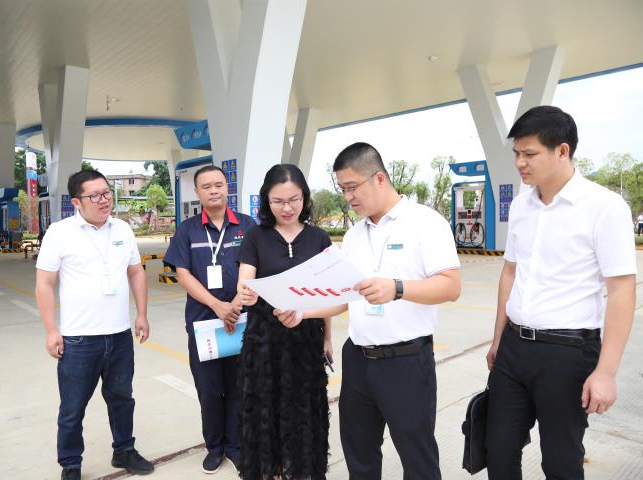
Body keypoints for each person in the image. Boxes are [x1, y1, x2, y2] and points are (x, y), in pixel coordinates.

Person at [485, 106, 637, 479]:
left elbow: (621, 291)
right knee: (497, 451)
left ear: (562, 151)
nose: (520, 163)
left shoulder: (604, 207)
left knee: (560, 461)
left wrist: (606, 373)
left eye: (530, 153)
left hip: (567, 353)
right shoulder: (520, 205)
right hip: (513, 348)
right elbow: (510, 272)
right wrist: (498, 339)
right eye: (516, 153)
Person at [305, 142, 461, 480]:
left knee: (417, 457)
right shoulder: (353, 236)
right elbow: (346, 297)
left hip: (405, 361)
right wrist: (302, 312)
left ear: (378, 178)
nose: (347, 197)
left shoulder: (425, 222)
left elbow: (450, 286)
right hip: (358, 359)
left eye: (352, 187)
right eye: (342, 189)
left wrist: (397, 288)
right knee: (359, 453)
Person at [35, 170, 154, 480]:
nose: (104, 200)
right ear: (77, 202)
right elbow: (44, 283)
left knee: (122, 398)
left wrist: (141, 314)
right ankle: (71, 465)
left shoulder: (122, 228)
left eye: (107, 193)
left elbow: (136, 272)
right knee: (73, 408)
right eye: (95, 195)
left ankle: (124, 450)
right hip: (78, 340)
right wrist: (51, 330)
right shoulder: (59, 233)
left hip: (119, 335)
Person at [237, 164, 333, 480]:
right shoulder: (256, 236)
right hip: (264, 341)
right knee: (265, 410)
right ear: (267, 201)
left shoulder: (319, 238)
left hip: (306, 338)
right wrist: (245, 293)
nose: (287, 208)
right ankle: (271, 471)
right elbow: (245, 282)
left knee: (304, 409)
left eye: (294, 199)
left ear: (305, 197)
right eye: (278, 201)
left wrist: (327, 338)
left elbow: (329, 294)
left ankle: (303, 471)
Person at [163, 165, 256, 474]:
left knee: (240, 386)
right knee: (209, 389)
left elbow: (255, 267)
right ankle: (214, 447)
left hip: (241, 321)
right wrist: (217, 305)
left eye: (219, 184)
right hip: (205, 323)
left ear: (227, 187)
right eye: (206, 186)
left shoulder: (247, 226)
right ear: (197, 192)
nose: (214, 190)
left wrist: (235, 305)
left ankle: (236, 445)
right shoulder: (187, 230)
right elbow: (183, 274)